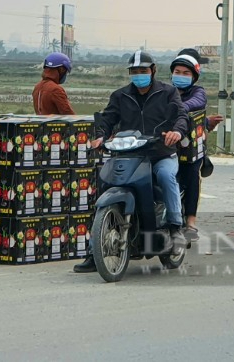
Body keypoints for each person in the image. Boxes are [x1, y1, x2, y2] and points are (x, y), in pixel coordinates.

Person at [73, 49, 191, 273]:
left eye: (143, 70)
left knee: (166, 176)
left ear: (153, 71)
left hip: (160, 153)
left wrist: (176, 132)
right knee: (104, 185)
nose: (139, 74)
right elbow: (108, 119)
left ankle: (175, 228)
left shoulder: (168, 93)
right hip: (129, 154)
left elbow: (182, 116)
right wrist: (100, 136)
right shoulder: (120, 96)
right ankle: (93, 250)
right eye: (134, 71)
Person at [170, 49, 219, 240]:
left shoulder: (198, 92)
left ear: (194, 76)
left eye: (186, 73)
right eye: (177, 72)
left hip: (190, 149)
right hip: (165, 145)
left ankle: (190, 222)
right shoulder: (164, 91)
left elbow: (195, 105)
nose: (180, 76)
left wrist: (174, 107)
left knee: (192, 175)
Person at [33, 51, 76, 116]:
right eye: (66, 72)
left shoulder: (37, 87)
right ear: (61, 69)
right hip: (54, 126)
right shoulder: (56, 90)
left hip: (42, 124)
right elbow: (68, 114)